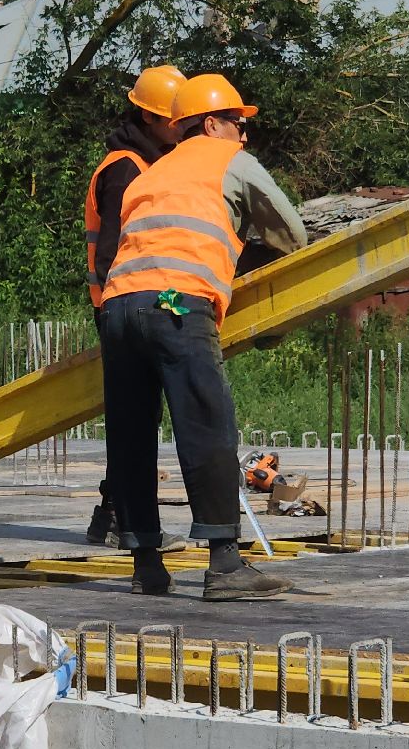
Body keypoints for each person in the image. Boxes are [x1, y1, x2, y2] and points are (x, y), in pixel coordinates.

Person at [99, 73, 308, 599]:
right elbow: (294, 236)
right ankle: (225, 564)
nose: (245, 135)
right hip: (176, 306)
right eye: (239, 124)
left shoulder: (149, 173)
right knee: (206, 427)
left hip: (119, 308)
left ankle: (146, 563)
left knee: (131, 436)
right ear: (213, 123)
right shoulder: (228, 160)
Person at [84, 65, 188, 550]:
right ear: (149, 118)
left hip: (127, 302)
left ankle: (114, 516)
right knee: (133, 424)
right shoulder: (127, 167)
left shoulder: (149, 163)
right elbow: (111, 249)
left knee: (137, 420)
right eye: (175, 119)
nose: (182, 126)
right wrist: (112, 311)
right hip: (119, 304)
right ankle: (129, 525)